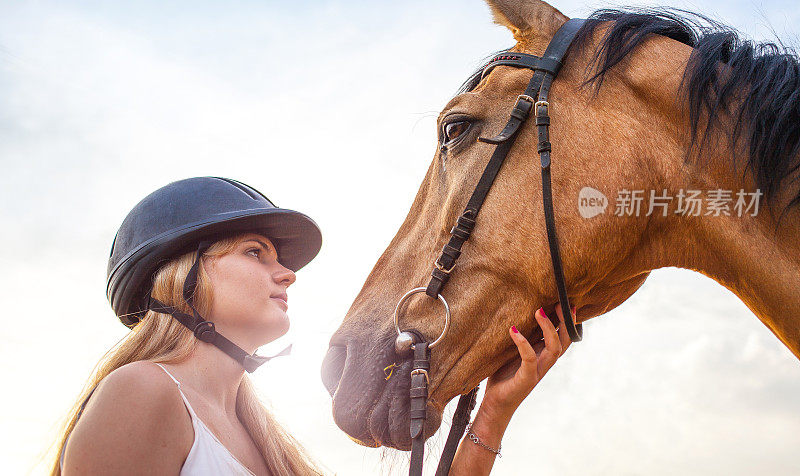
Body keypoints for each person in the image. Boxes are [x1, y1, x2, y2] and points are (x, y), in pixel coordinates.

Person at [53, 176, 573, 476]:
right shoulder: (142, 390)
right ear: (180, 276)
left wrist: (493, 413)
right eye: (255, 253)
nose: (287, 274)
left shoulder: (258, 431)